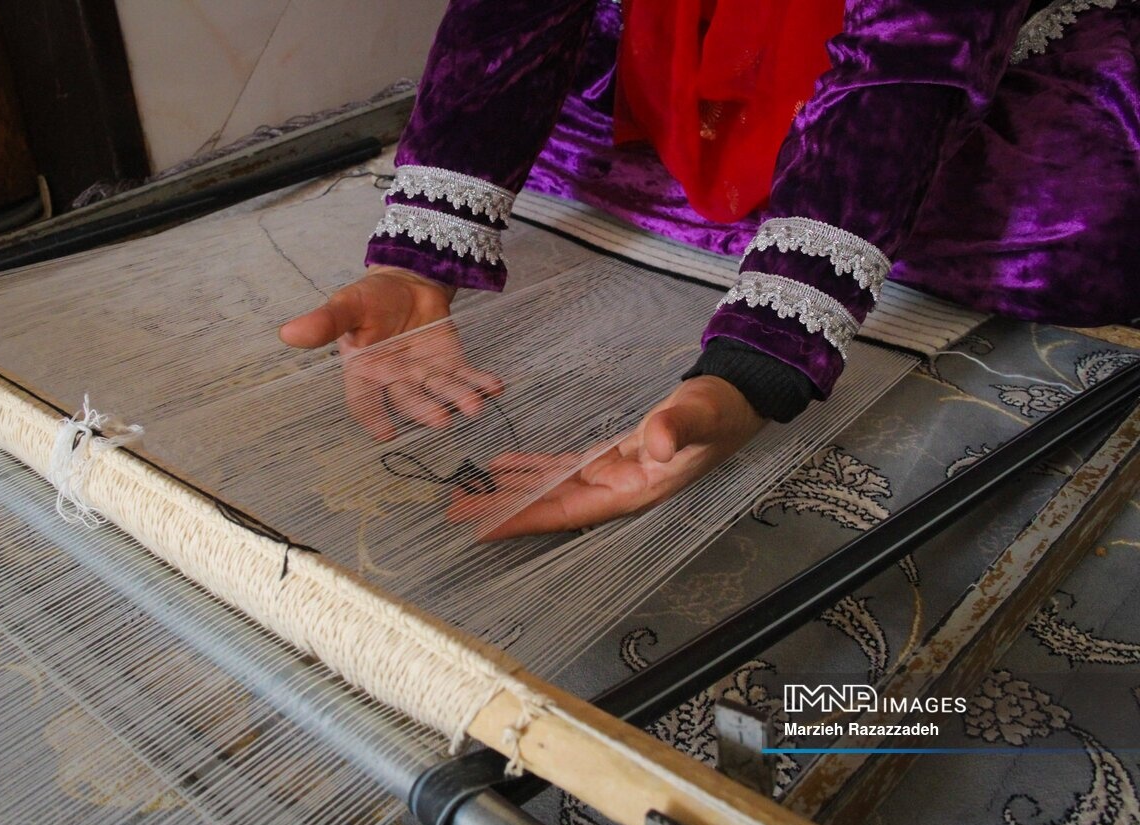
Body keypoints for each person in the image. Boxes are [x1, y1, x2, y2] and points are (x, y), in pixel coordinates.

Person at [280, 0, 1139, 538]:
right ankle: (804, 200)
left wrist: (757, 365)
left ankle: (818, 210)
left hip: (936, 42)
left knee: (1077, 226)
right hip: (696, 27)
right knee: (569, 125)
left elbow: (907, 64)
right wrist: (422, 254)